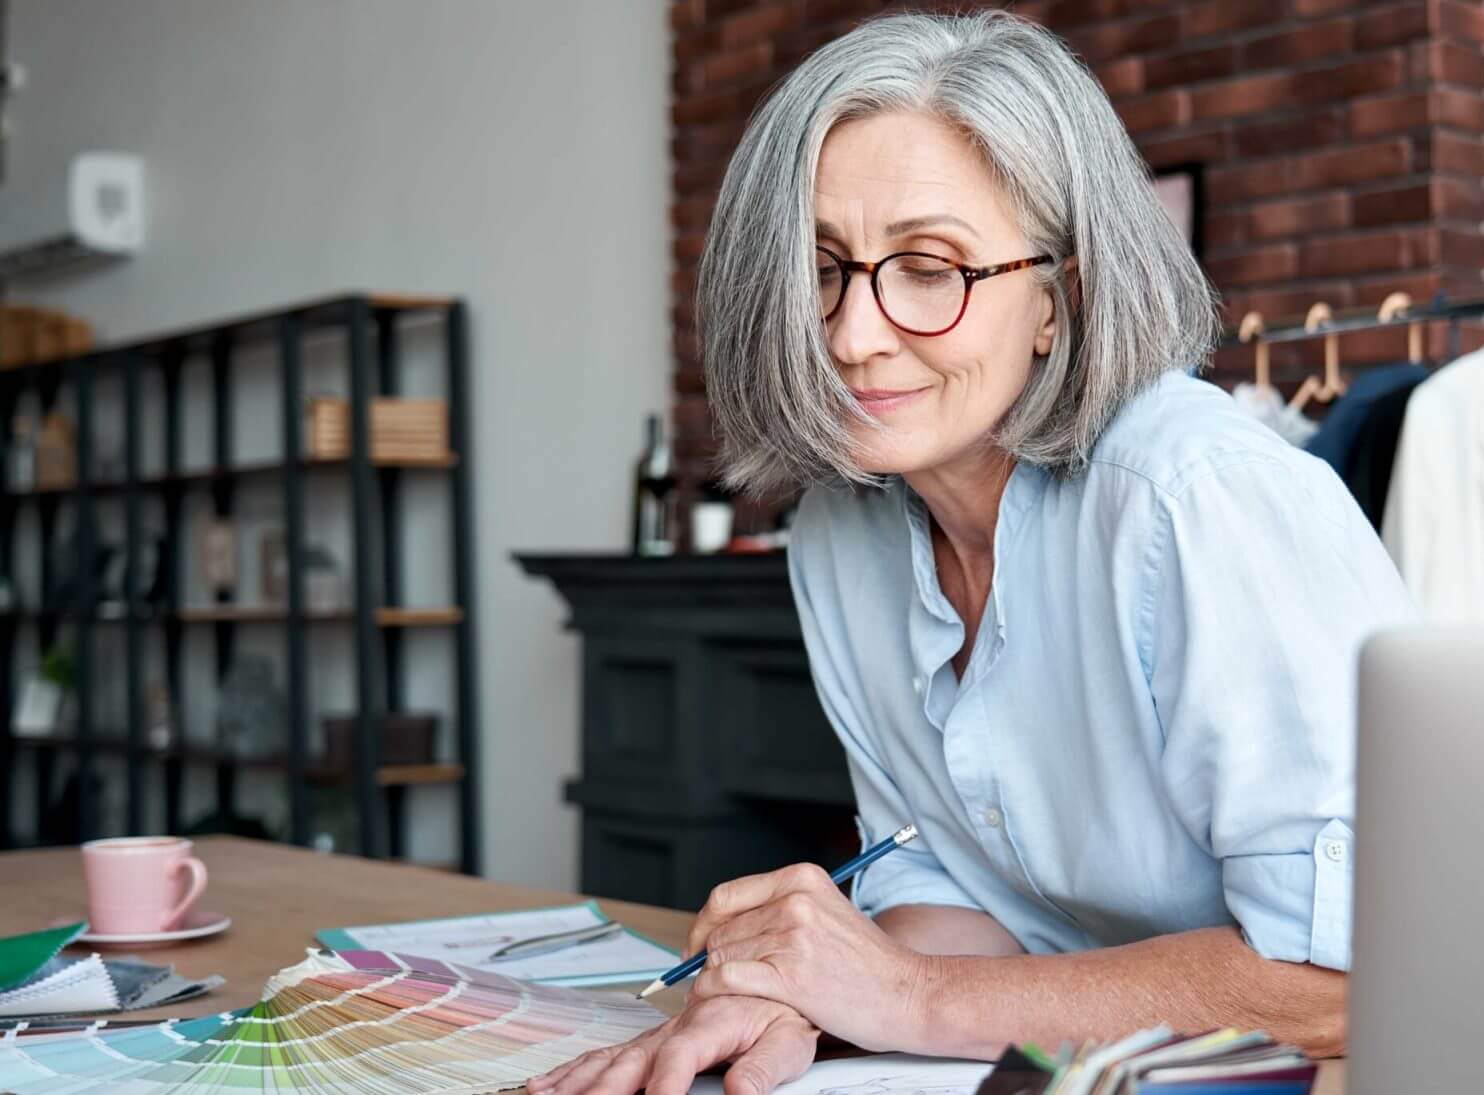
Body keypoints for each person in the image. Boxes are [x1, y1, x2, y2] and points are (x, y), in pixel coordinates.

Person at [531, 10, 1414, 1095]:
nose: (852, 334)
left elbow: (1353, 978)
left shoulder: (1199, 502)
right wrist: (794, 988)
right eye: (820, 269)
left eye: (929, 266)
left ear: (1059, 295)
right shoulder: (838, 536)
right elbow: (960, 902)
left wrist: (903, 995)